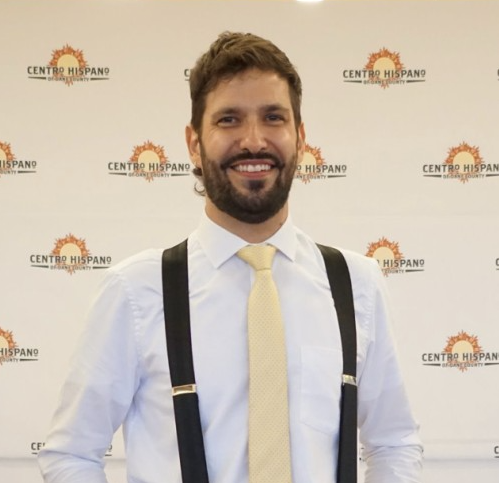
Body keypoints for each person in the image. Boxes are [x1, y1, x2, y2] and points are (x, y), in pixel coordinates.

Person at [38, 31, 423, 483]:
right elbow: (71, 454)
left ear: (300, 137)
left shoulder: (358, 283)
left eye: (273, 117)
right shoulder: (136, 292)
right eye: (229, 120)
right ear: (194, 144)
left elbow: (393, 444)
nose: (253, 140)